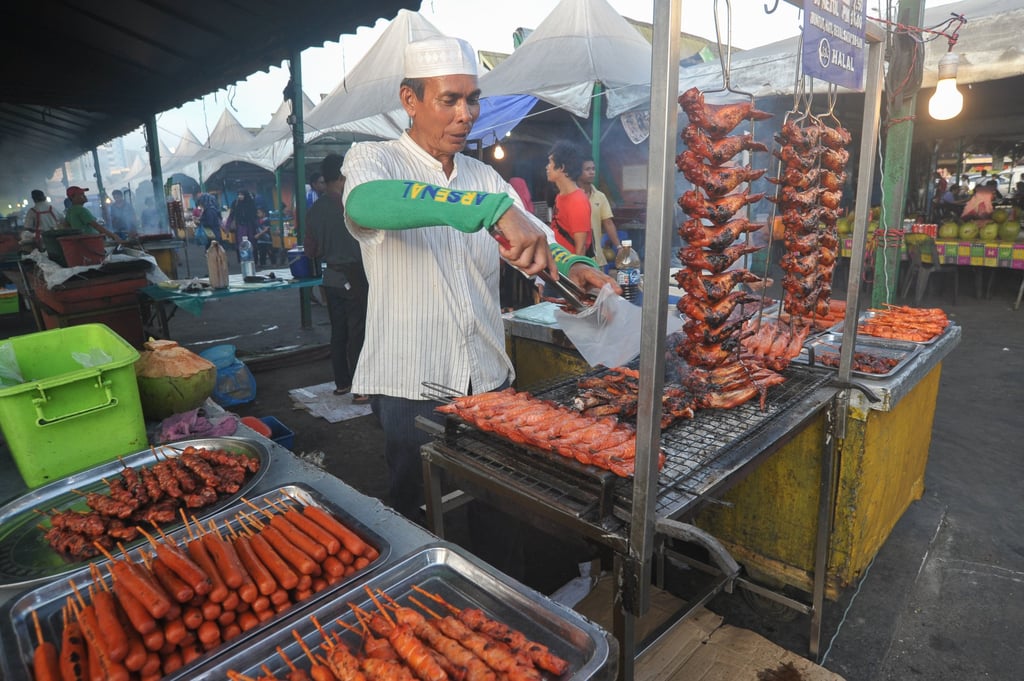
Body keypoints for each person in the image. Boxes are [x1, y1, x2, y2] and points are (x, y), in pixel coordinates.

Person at [340, 35, 616, 574]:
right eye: (450, 100)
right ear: (410, 99)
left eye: (473, 99)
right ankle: (429, 609)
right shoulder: (374, 160)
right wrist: (487, 210)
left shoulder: (483, 175)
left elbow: (537, 239)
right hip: (411, 380)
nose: (465, 115)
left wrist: (573, 265)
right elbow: (366, 204)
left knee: (498, 502)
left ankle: (501, 597)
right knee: (417, 508)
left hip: (488, 373)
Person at [305, 153, 369, 403]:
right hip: (354, 276)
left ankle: (342, 383)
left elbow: (310, 250)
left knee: (338, 331)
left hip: (330, 277)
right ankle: (361, 387)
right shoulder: (350, 206)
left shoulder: (314, 210)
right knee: (358, 332)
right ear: (342, 176)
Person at [546, 140, 592, 256]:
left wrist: (575, 272)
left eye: (550, 163)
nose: (547, 168)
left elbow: (580, 249)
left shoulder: (578, 201)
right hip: (559, 264)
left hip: (570, 268)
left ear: (561, 167)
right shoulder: (559, 197)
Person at [578, 157, 621, 267]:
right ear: (578, 172)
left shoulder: (600, 196)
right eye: (587, 169)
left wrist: (619, 247)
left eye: (593, 169)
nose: (592, 172)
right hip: (576, 257)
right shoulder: (572, 197)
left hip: (596, 258)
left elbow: (608, 223)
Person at [224, 190, 259, 262]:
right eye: (239, 194)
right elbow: (231, 215)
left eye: (242, 194)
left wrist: (257, 227)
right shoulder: (235, 204)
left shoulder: (251, 204)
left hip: (250, 227)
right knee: (240, 243)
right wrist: (227, 227)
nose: (240, 196)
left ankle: (254, 260)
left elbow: (255, 216)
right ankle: (242, 259)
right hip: (240, 226)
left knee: (251, 243)